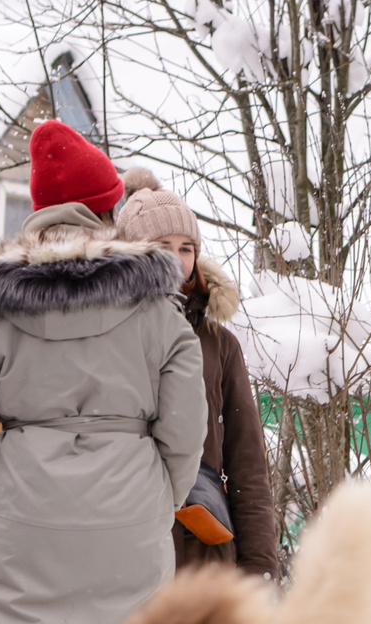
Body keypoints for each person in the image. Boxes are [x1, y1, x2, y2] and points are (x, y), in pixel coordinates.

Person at [0, 121, 206, 624]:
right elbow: (186, 423)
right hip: (131, 506)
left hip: (20, 508)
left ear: (38, 211)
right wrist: (164, 495)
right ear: (107, 211)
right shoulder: (157, 308)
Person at [113, 168, 279, 577]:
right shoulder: (105, 332)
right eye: (162, 245)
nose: (177, 258)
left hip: (200, 554)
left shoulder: (219, 344)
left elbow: (247, 466)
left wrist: (258, 569)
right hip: (121, 547)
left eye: (186, 247)